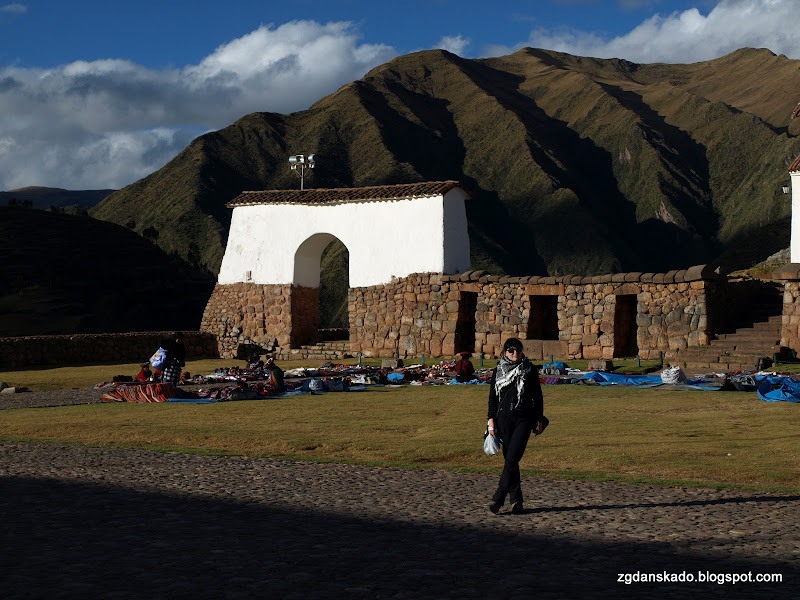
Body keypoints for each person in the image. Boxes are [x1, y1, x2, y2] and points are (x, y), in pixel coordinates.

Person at [486, 338, 545, 515]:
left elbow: (538, 396)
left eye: (518, 350)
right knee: (511, 461)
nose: (515, 353)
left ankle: (498, 499)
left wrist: (539, 418)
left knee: (512, 458)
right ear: (505, 352)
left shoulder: (529, 369)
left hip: (524, 418)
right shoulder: (498, 370)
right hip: (503, 419)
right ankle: (516, 501)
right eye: (511, 350)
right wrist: (490, 421)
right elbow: (493, 398)